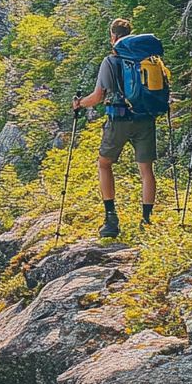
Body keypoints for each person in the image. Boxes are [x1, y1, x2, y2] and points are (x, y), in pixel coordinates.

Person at [74, 18, 157, 239]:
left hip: (119, 119)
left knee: (104, 164)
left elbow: (98, 97)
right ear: (131, 34)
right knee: (146, 171)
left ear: (113, 36)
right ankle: (147, 220)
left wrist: (79, 103)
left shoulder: (110, 62)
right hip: (146, 118)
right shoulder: (146, 58)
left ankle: (111, 219)